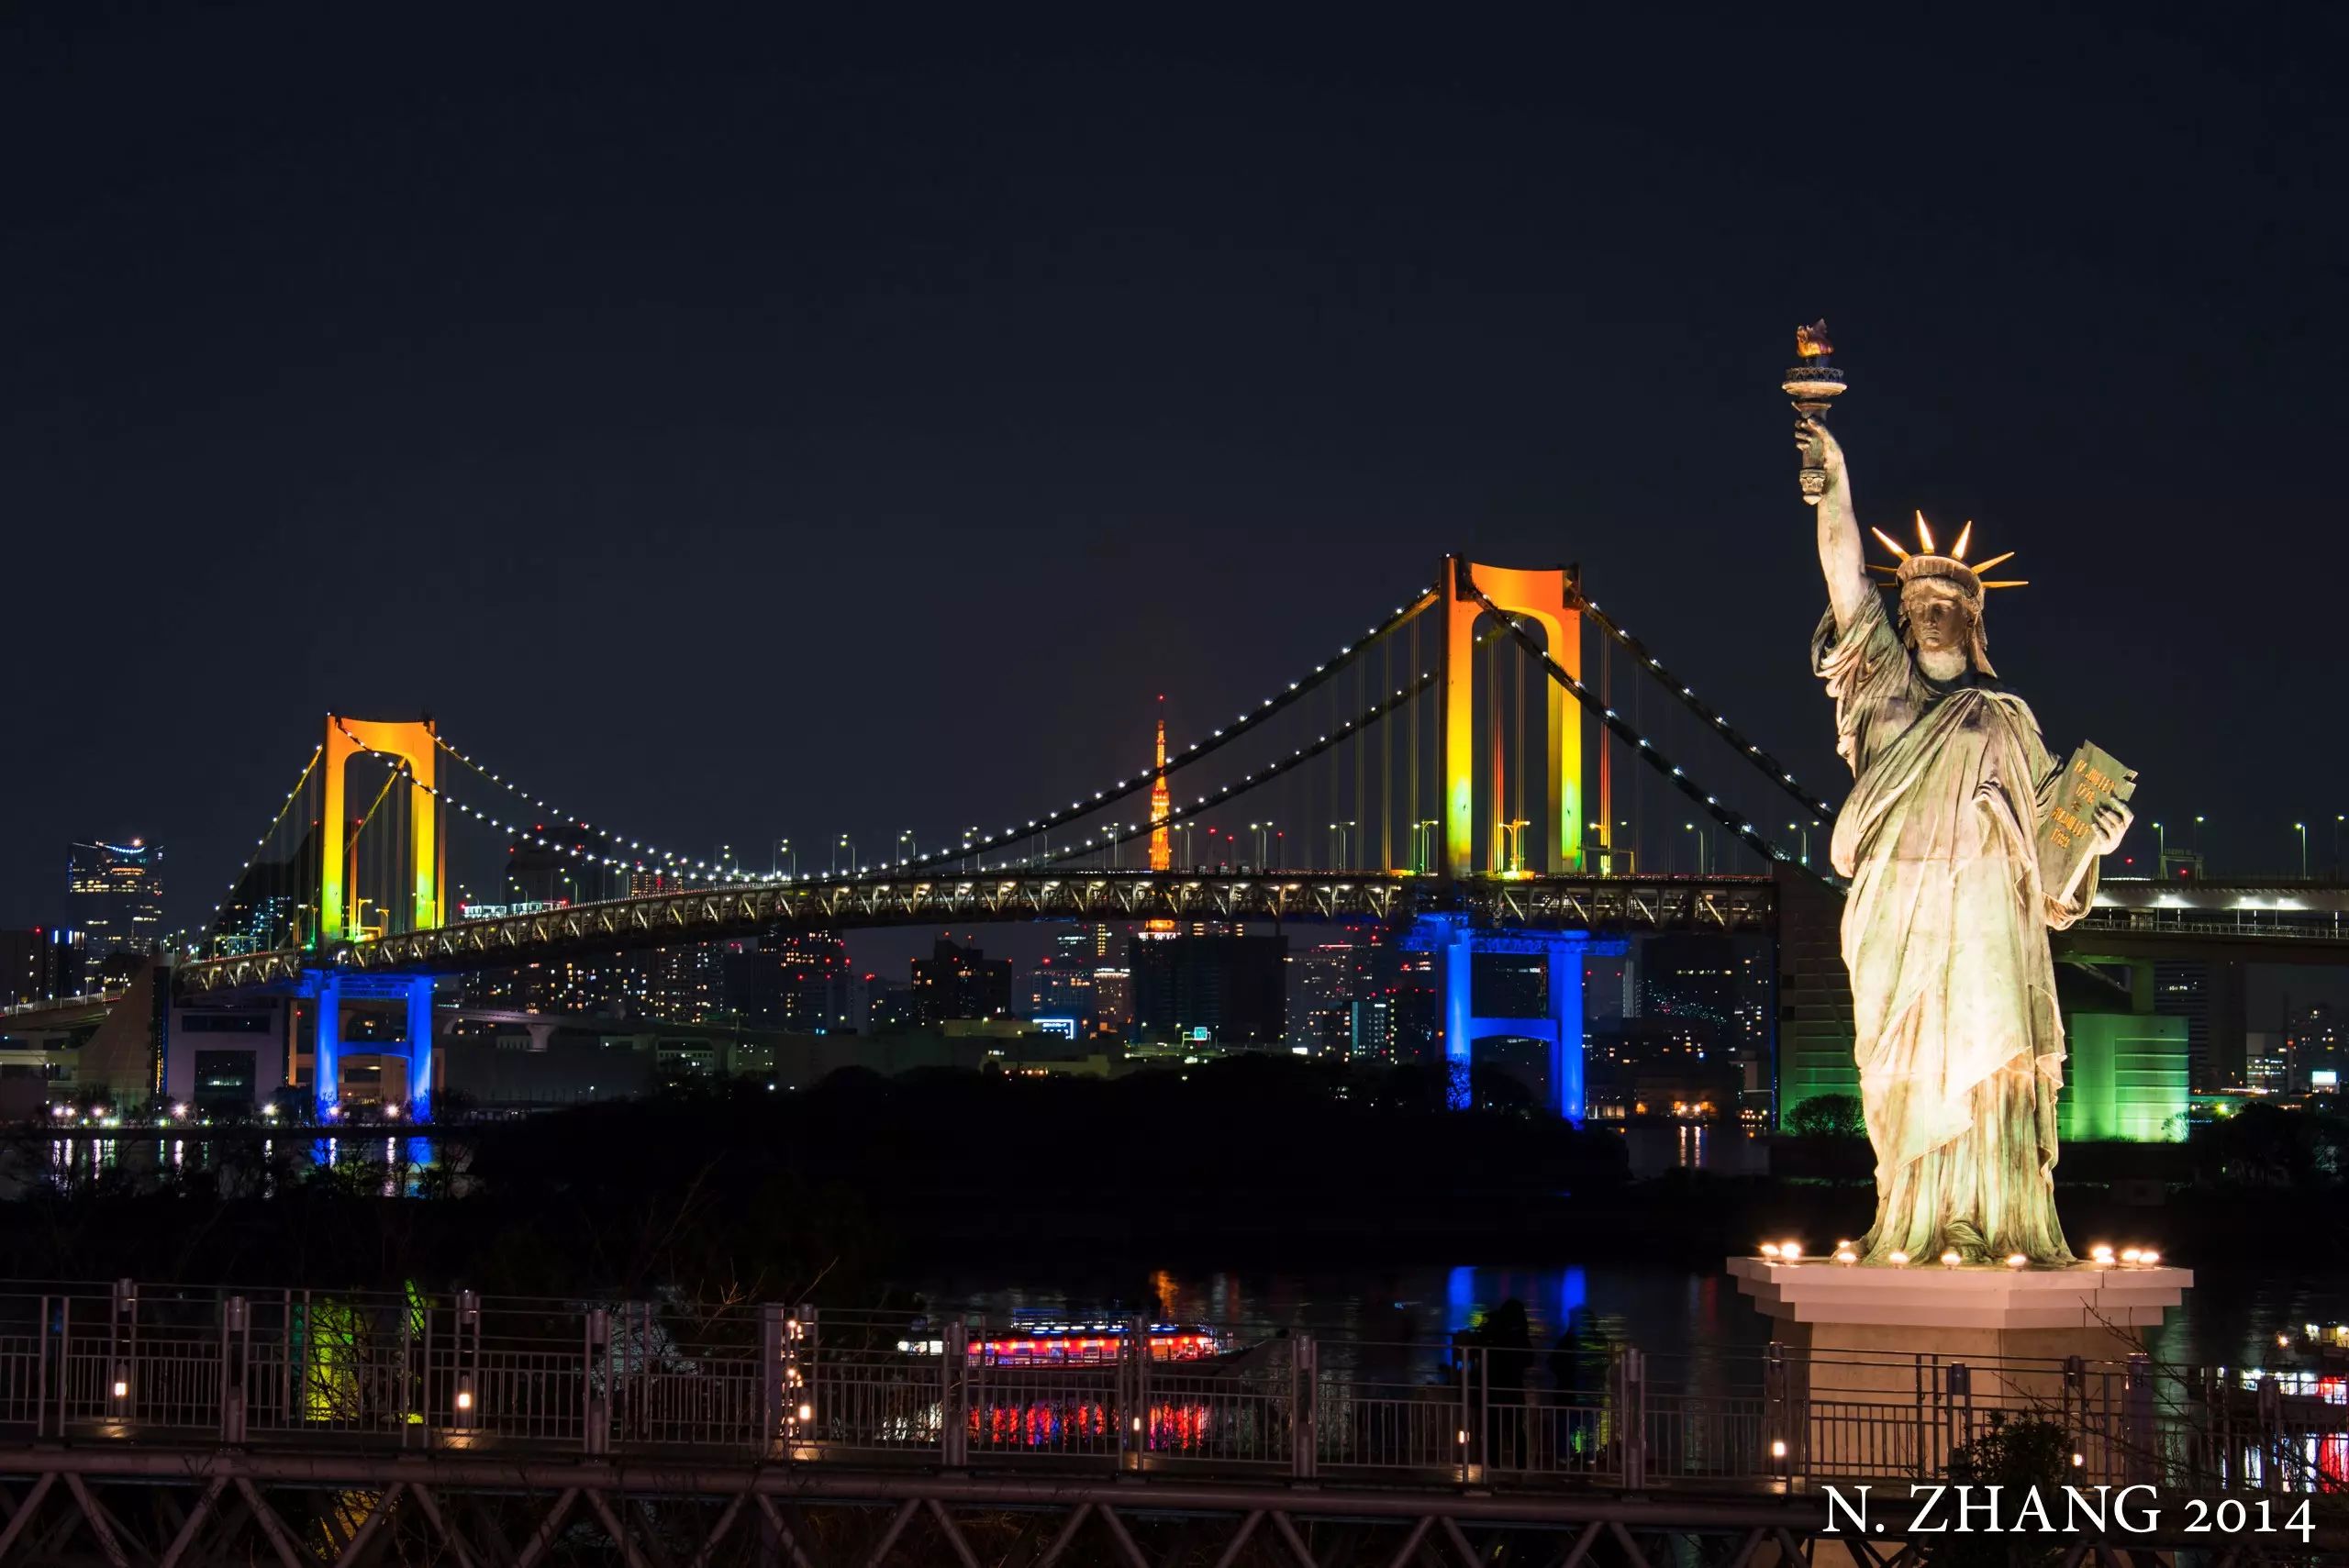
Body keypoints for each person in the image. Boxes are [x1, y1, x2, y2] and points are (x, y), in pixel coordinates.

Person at [1800, 417, 2130, 1265]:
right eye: (1916, 607)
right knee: (1901, 1063)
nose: (1930, 616)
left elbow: (2049, 871)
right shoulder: (1879, 688)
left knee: (1987, 1065)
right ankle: (1912, 1212)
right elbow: (1844, 577)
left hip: (1987, 920)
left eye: (1946, 605)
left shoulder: (2008, 720)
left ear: (1972, 617)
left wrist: (2095, 839)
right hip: (1898, 914)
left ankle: (1986, 1214)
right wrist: (1834, 481)